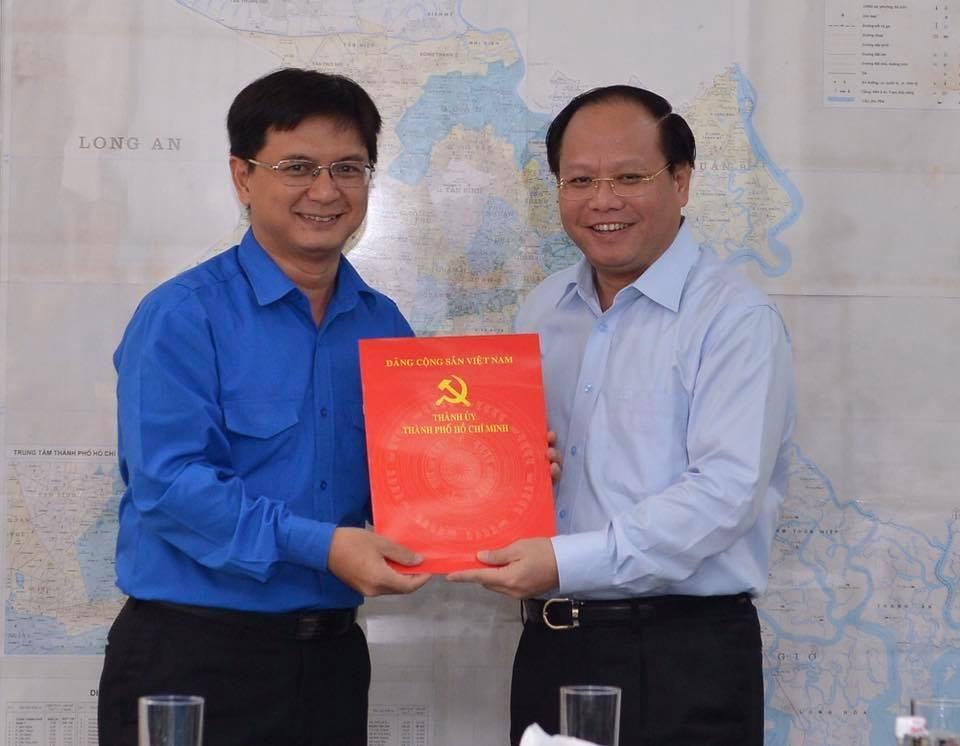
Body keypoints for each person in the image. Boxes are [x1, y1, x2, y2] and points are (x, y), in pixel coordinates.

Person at [449, 85, 796, 745]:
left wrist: (565, 561)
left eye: (629, 178)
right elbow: (523, 463)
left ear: (681, 181)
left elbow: (723, 495)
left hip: (682, 658)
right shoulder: (543, 309)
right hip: (551, 646)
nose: (602, 201)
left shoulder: (733, 319)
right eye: (580, 180)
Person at [97, 68, 431, 746]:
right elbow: (171, 485)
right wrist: (323, 546)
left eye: (348, 168)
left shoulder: (385, 326)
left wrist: (492, 469)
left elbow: (405, 477)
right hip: (194, 658)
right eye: (297, 167)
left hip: (332, 663)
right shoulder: (182, 316)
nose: (325, 190)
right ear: (243, 176)